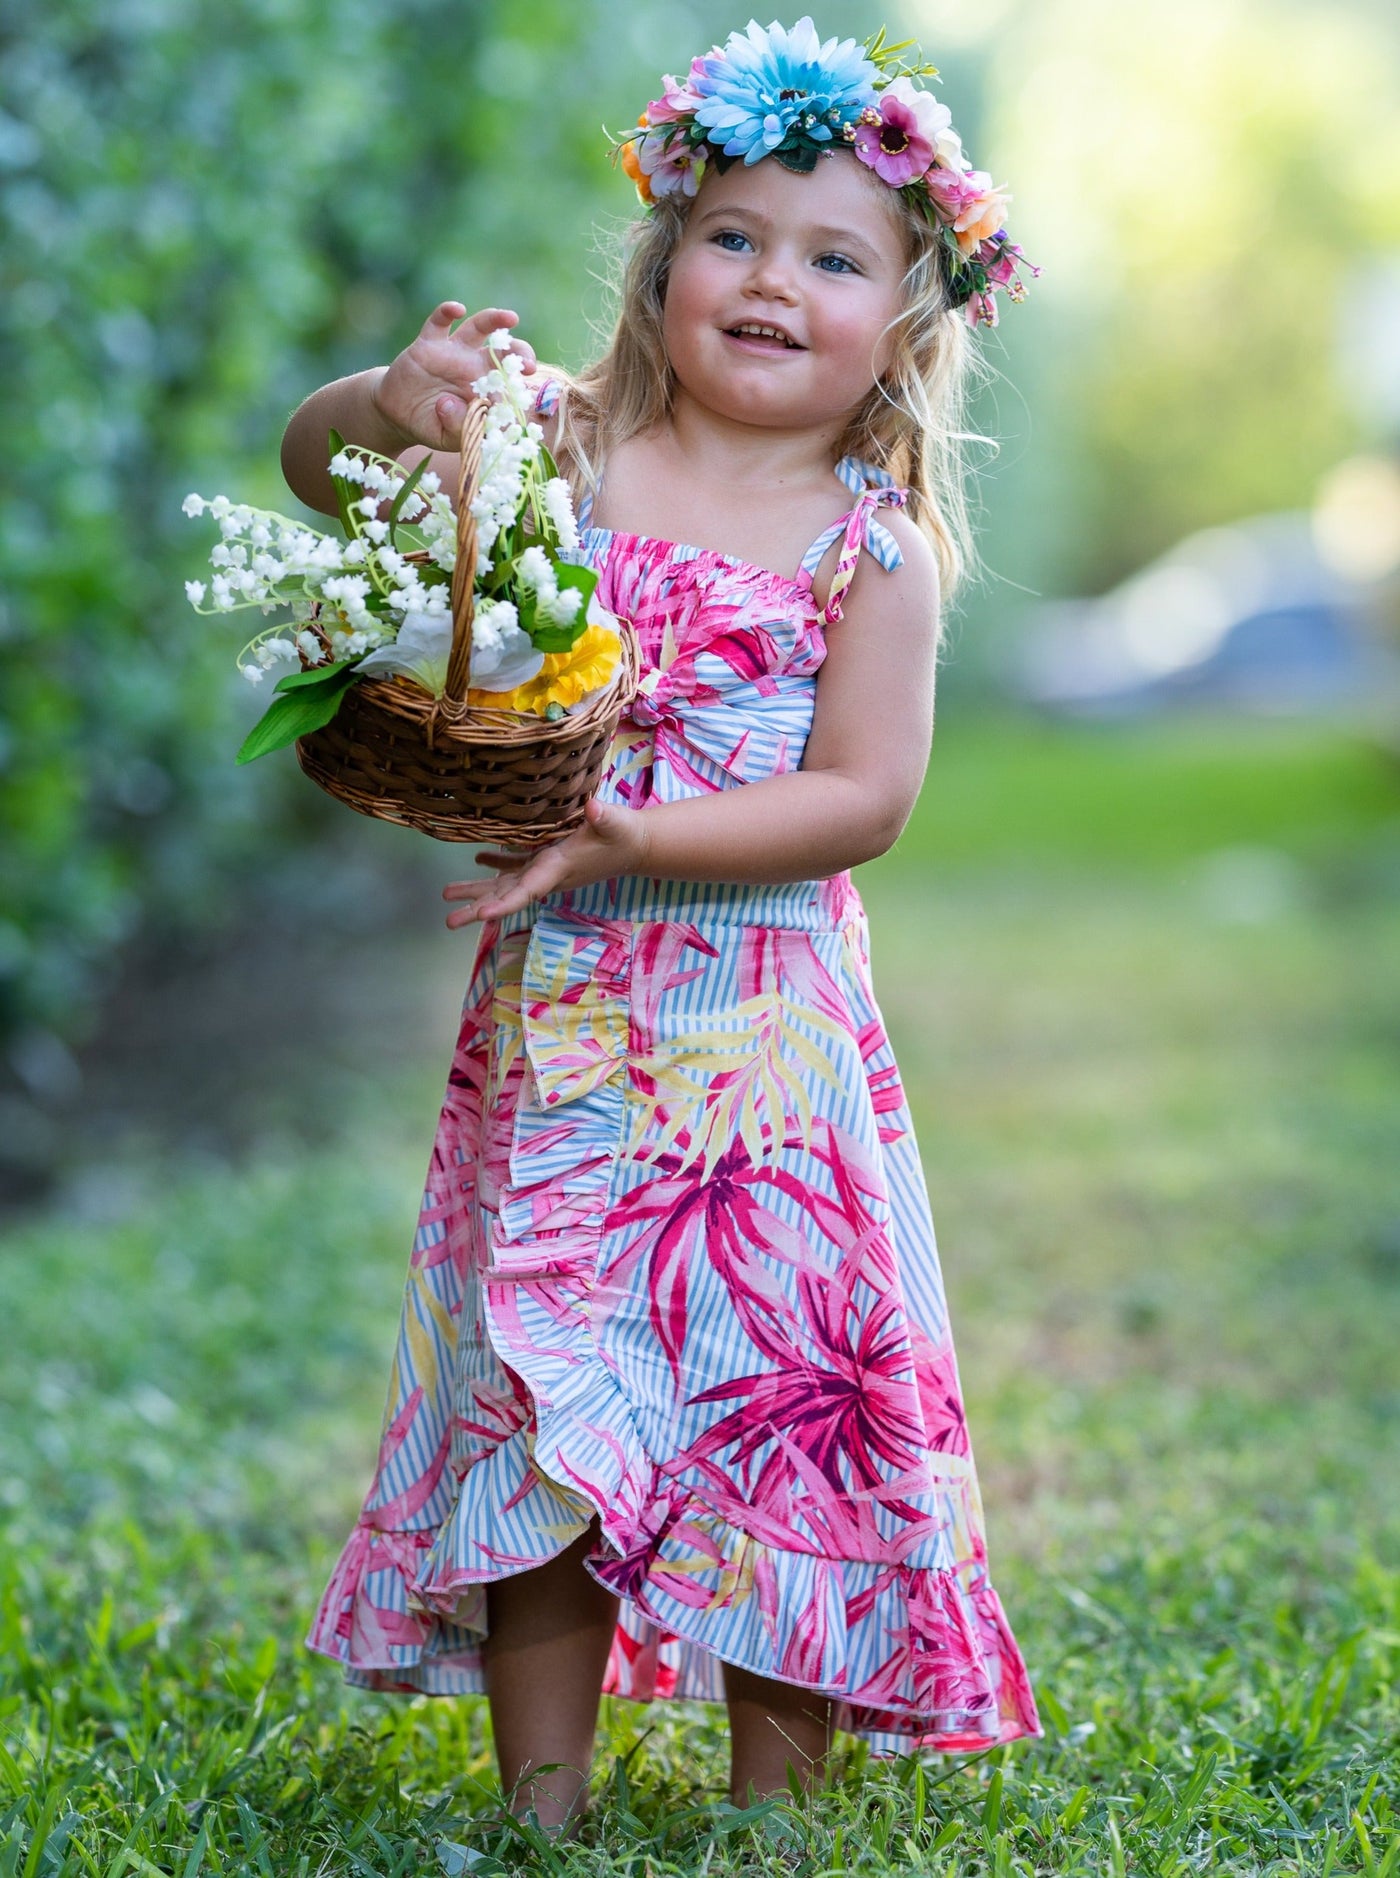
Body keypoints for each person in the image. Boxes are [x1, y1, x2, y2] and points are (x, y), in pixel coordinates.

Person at [283, 17, 1041, 1833]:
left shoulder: (875, 551)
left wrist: (636, 830)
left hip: (761, 1064)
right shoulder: (567, 445)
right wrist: (391, 409)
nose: (773, 279)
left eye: (834, 256)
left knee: (779, 1407)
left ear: (908, 321)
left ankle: (777, 1802)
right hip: (562, 1048)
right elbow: (325, 476)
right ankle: (537, 1800)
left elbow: (863, 799)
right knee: (544, 1402)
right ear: (663, 261)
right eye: (736, 236)